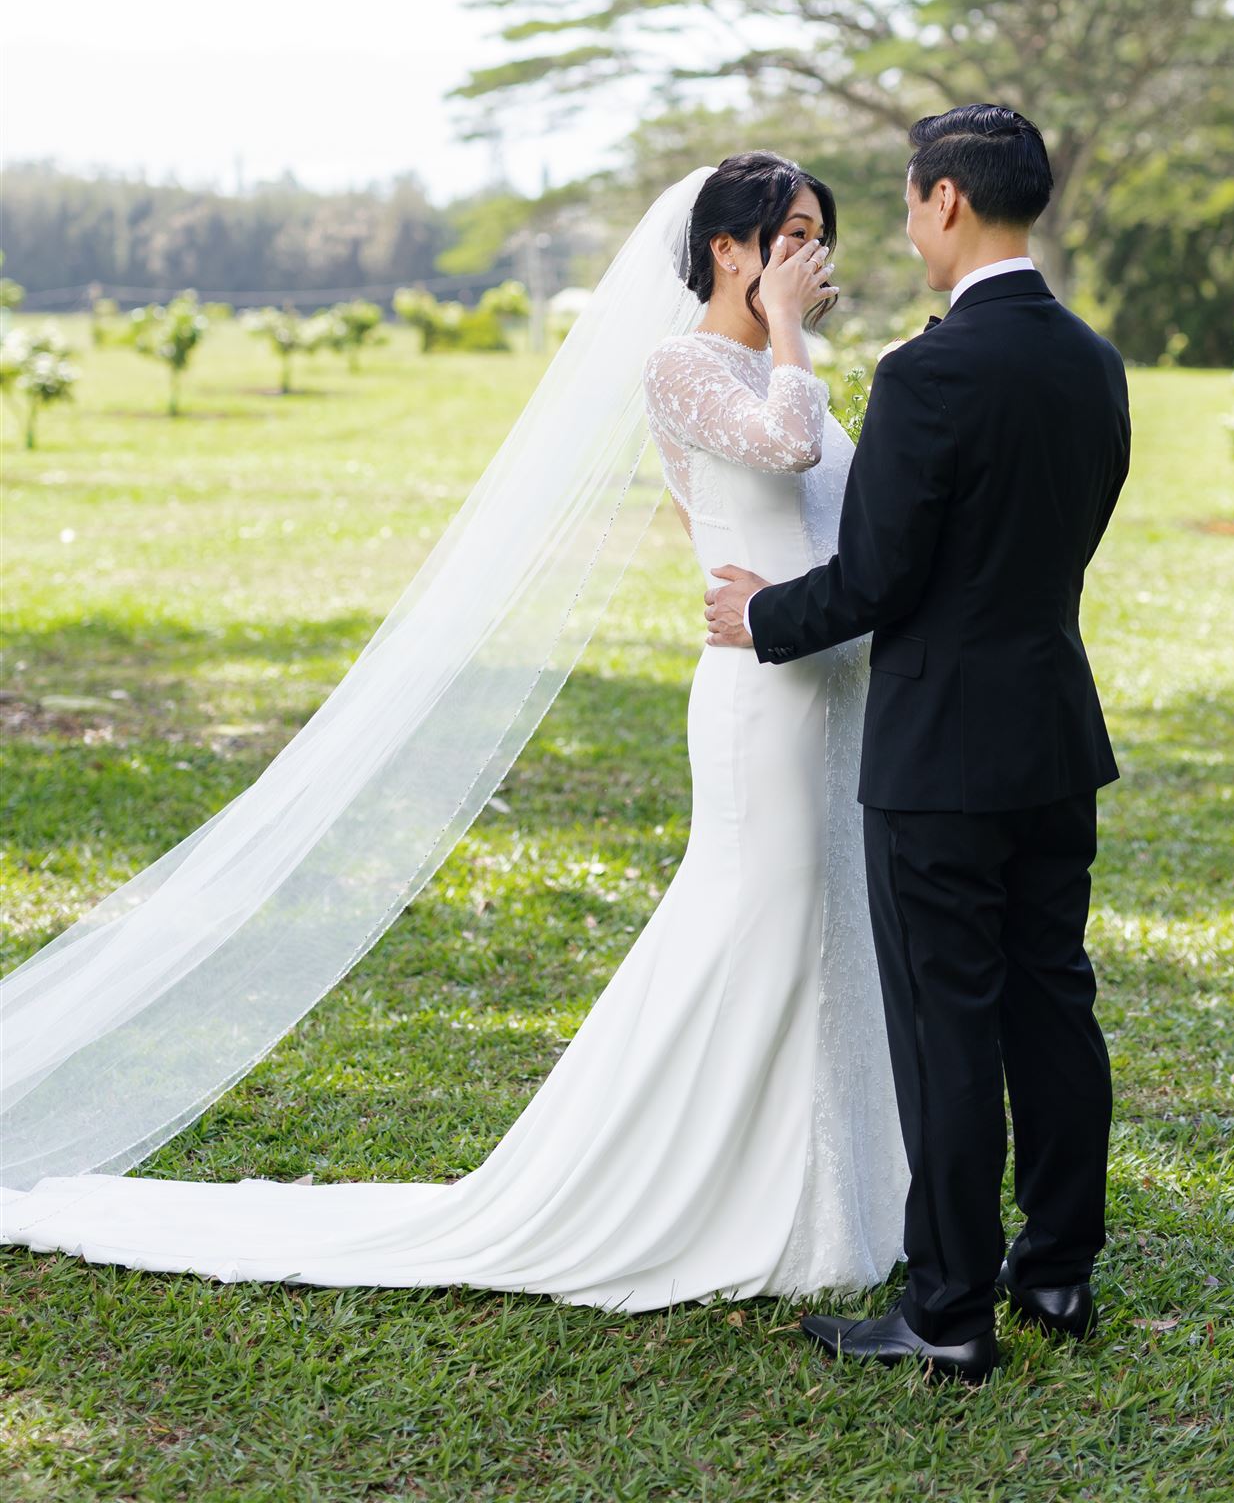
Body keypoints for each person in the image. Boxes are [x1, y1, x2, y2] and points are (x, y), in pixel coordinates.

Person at [1, 153, 907, 1310]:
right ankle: (674, 1185)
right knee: (759, 916)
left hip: (831, 689)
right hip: (759, 703)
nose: (810, 256)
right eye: (789, 233)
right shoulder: (684, 364)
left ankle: (820, 1196)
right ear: (727, 249)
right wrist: (786, 332)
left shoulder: (787, 370)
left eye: (819, 234)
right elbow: (783, 449)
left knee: (826, 928)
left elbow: (824, 510)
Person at [706, 105, 1131, 1383]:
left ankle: (948, 1305)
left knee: (950, 1026)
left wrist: (761, 614)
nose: (902, 227)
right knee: (1053, 998)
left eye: (904, 202)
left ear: (946, 198)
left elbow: (877, 576)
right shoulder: (1095, 361)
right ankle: (1056, 1268)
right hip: (1053, 732)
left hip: (939, 751)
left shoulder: (927, 372)